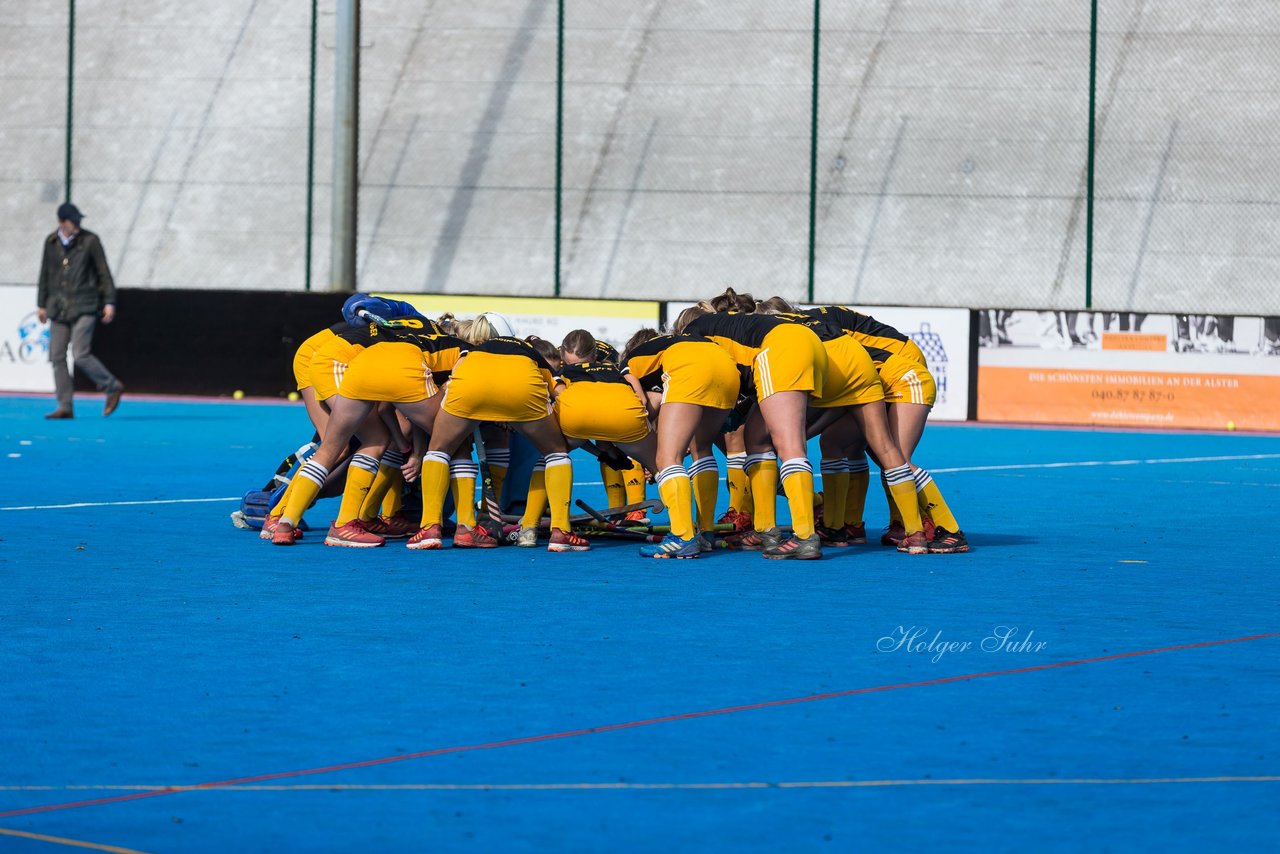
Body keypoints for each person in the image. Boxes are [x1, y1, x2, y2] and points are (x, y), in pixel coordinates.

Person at [36, 202, 123, 419]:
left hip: (85, 304)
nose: (77, 224)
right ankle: (65, 405)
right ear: (61, 222)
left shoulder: (90, 241)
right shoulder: (51, 242)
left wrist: (109, 302)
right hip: (58, 307)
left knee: (80, 354)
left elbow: (104, 272)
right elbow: (45, 273)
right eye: (73, 221)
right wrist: (42, 304)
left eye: (78, 221)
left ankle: (112, 386)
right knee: (56, 355)